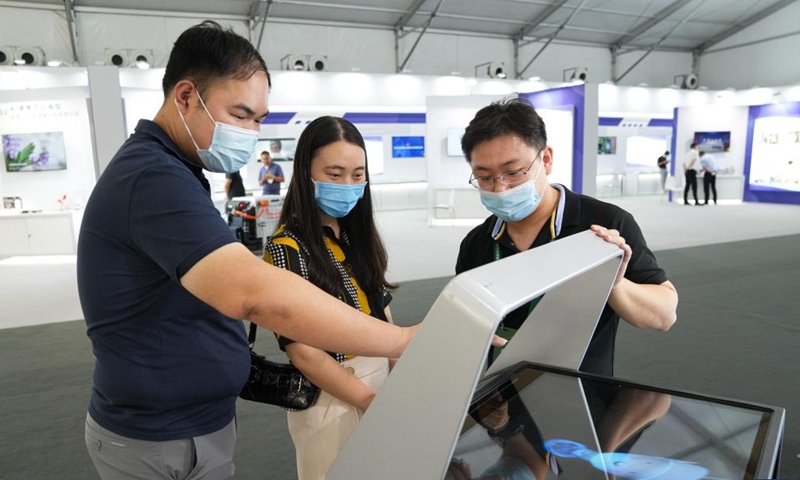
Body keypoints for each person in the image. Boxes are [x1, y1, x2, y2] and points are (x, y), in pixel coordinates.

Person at [77, 21, 416, 480]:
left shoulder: (180, 172)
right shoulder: (153, 178)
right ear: (185, 96)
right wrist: (400, 341)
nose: (251, 132)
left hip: (193, 423)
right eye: (240, 115)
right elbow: (254, 294)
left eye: (259, 119)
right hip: (159, 434)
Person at [455, 98, 678, 377]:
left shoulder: (605, 225)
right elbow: (466, 326)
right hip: (500, 389)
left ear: (546, 159)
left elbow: (664, 316)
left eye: (513, 172)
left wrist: (613, 282)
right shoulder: (477, 242)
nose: (500, 189)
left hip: (582, 391)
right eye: (485, 177)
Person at [261, 116, 395, 480]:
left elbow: (383, 314)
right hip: (331, 394)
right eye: (335, 175)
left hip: (380, 382)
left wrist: (397, 374)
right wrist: (367, 400)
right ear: (306, 173)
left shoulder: (356, 235)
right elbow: (303, 351)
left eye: (357, 175)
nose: (348, 185)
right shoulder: (287, 249)